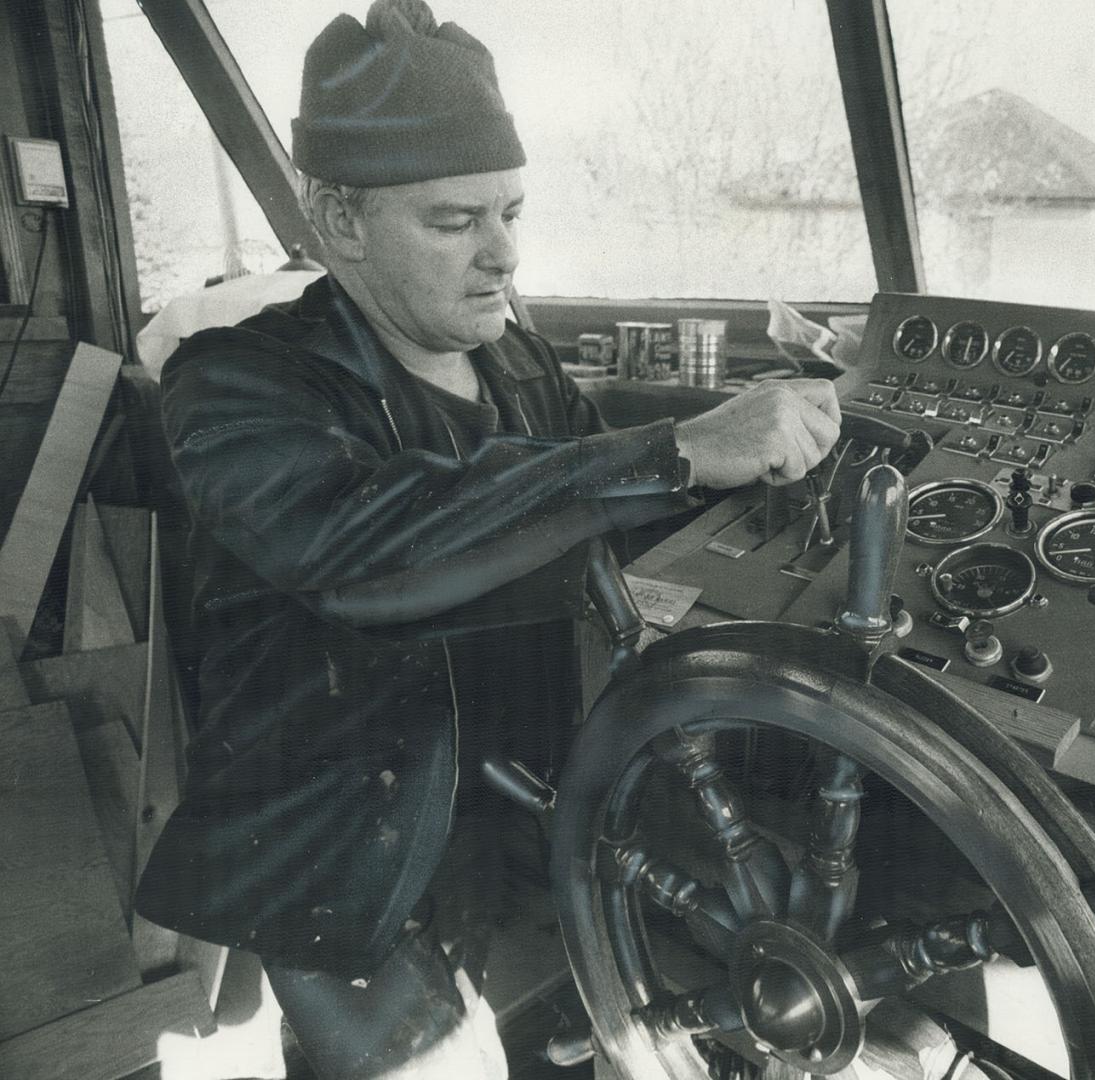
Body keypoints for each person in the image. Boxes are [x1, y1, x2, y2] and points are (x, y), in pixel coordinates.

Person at [132, 1, 841, 1076]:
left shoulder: (515, 363)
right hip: (350, 847)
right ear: (336, 219)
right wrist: (678, 448)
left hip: (540, 797)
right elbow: (358, 552)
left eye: (511, 212)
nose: (503, 254)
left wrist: (793, 450)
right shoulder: (235, 380)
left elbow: (594, 500)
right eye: (455, 221)